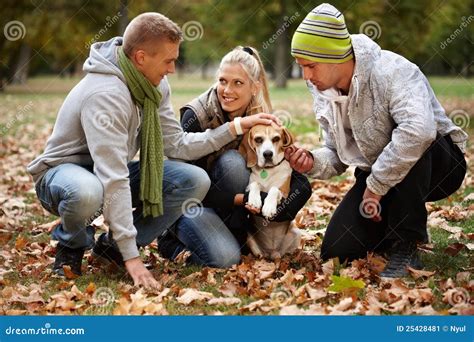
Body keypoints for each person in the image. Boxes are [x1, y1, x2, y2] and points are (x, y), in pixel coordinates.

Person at [27, 13, 278, 288]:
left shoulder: (153, 83)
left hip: (107, 173)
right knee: (88, 191)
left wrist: (235, 128)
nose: (172, 69)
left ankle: (111, 250)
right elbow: (113, 177)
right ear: (141, 58)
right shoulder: (106, 95)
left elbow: (176, 144)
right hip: (63, 177)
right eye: (168, 61)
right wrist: (133, 259)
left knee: (194, 180)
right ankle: (70, 249)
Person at [286, 3, 468, 277]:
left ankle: (406, 241)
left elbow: (419, 131)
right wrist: (311, 161)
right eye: (301, 67)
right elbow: (336, 153)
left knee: (414, 139)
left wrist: (376, 186)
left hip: (439, 165)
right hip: (379, 173)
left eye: (311, 66)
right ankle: (395, 220)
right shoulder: (321, 88)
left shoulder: (393, 71)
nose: (306, 77)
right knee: (337, 251)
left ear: (335, 55)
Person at [156, 46, 311, 256]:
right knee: (234, 163)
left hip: (230, 212)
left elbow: (290, 173)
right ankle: (171, 242)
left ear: (255, 87)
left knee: (236, 253)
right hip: (190, 205)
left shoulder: (260, 117)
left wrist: (286, 204)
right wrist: (244, 199)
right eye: (222, 81)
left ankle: (231, 231)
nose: (227, 91)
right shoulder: (195, 117)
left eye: (237, 83)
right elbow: (182, 186)